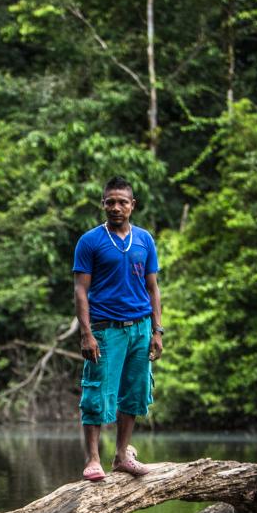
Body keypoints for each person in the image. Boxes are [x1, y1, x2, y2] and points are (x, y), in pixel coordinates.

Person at [72, 177, 163, 482]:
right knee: (96, 392)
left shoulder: (144, 240)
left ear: (132, 205)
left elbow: (153, 288)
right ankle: (93, 459)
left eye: (122, 202)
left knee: (135, 391)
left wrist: (157, 330)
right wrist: (86, 333)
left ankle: (122, 456)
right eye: (110, 201)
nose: (116, 207)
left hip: (140, 328)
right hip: (105, 329)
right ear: (103, 204)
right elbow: (80, 290)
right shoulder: (90, 241)